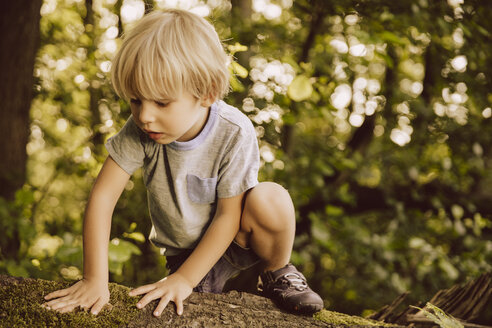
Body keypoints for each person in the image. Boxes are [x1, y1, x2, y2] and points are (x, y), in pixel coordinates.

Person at [43, 8, 323, 317]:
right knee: (183, 310)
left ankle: (276, 274)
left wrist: (184, 281)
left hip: (235, 239)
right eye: (136, 100)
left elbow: (228, 217)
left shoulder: (234, 131)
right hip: (185, 251)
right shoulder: (139, 131)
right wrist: (95, 279)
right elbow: (102, 197)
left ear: (205, 94)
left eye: (161, 102)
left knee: (272, 197)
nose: (145, 115)